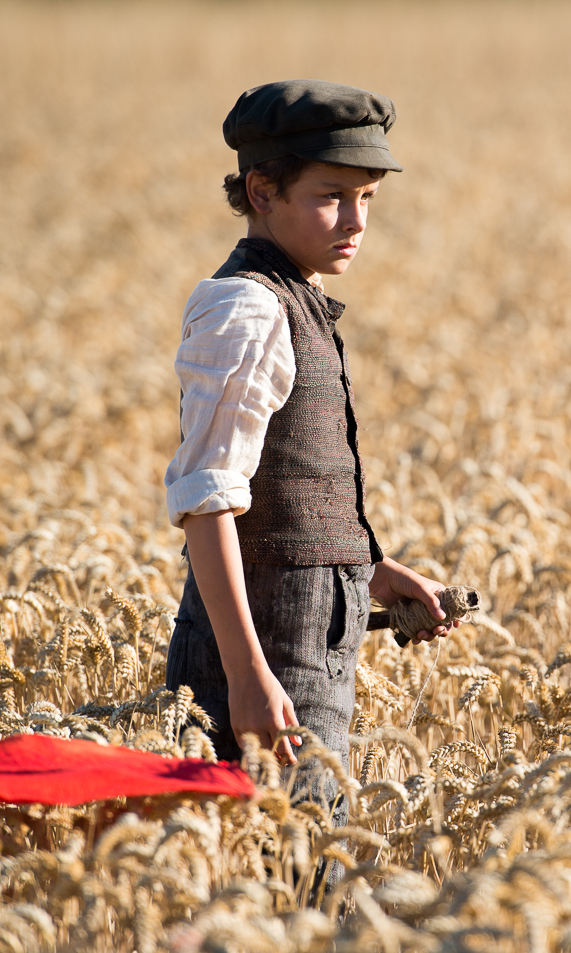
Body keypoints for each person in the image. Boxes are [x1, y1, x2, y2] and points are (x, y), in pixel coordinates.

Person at [163, 80, 457, 820]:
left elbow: (278, 494)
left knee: (300, 878)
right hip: (266, 653)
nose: (356, 220)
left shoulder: (294, 295)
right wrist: (247, 677)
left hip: (301, 643)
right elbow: (206, 500)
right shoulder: (247, 305)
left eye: (368, 198)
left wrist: (369, 573)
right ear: (262, 192)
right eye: (333, 196)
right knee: (289, 886)